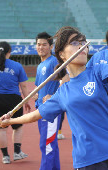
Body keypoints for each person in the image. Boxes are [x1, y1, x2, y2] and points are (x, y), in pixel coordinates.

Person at [0, 28, 108, 170]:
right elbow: (36, 115)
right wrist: (10, 120)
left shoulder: (97, 70)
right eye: (74, 43)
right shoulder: (63, 92)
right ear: (62, 54)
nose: (81, 47)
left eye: (82, 43)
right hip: (89, 159)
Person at [0, 41, 31, 164]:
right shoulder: (17, 66)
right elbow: (24, 86)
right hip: (14, 100)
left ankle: (5, 156)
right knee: (18, 126)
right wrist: (26, 100)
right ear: (9, 52)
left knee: (1, 129)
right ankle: (17, 152)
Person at [33, 32, 62, 170]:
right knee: (50, 144)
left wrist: (54, 96)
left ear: (51, 46)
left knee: (47, 144)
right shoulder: (41, 65)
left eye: (44, 44)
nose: (41, 47)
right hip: (41, 109)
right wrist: (36, 97)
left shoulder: (54, 62)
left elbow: (66, 80)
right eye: (38, 44)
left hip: (50, 110)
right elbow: (39, 87)